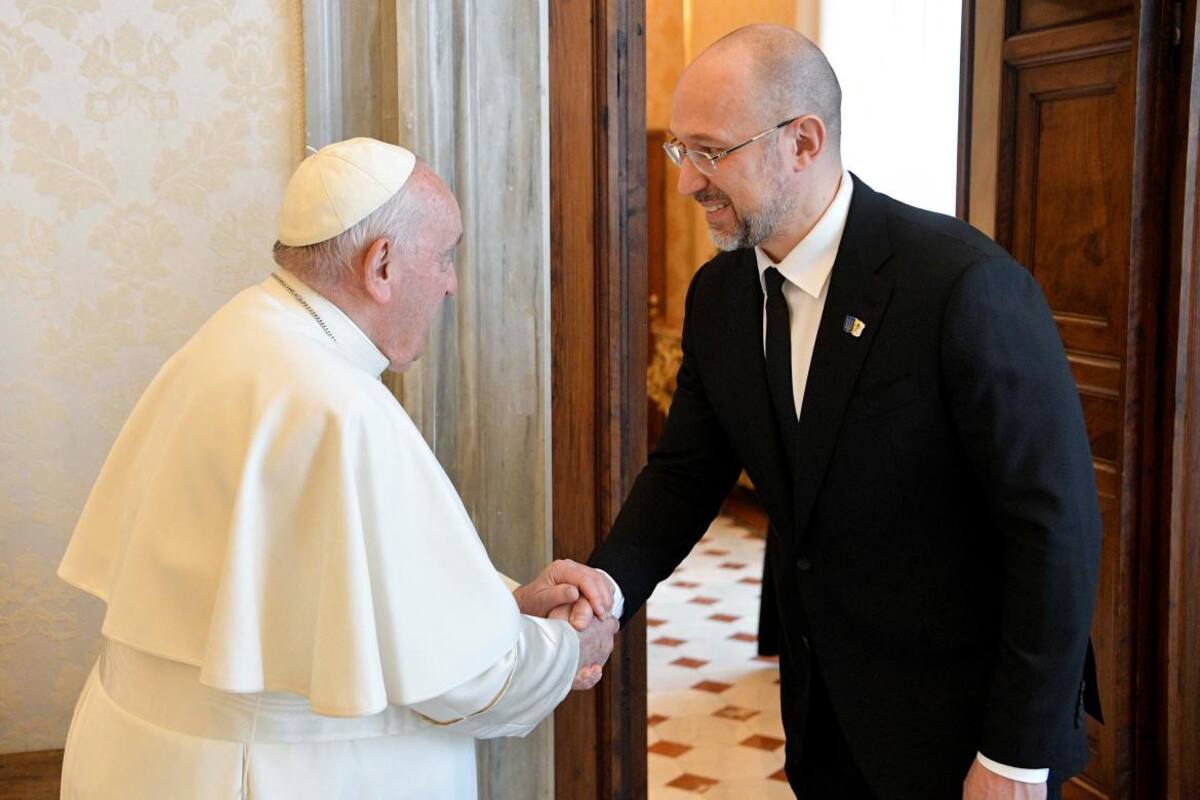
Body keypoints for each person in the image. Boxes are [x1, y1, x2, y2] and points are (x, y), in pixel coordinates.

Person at [560, 25, 1103, 800]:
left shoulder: (960, 285)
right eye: (682, 151)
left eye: (710, 152)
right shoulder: (720, 296)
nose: (685, 184)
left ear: (804, 143)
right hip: (824, 716)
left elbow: (1055, 530)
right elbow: (685, 473)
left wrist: (1016, 755)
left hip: (966, 730)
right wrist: (606, 592)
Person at [56, 137, 618, 800]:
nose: (450, 283)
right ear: (381, 265)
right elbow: (466, 682)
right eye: (444, 256)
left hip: (140, 761)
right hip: (275, 777)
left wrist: (502, 607)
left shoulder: (237, 332)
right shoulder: (339, 406)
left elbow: (340, 587)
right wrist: (568, 648)